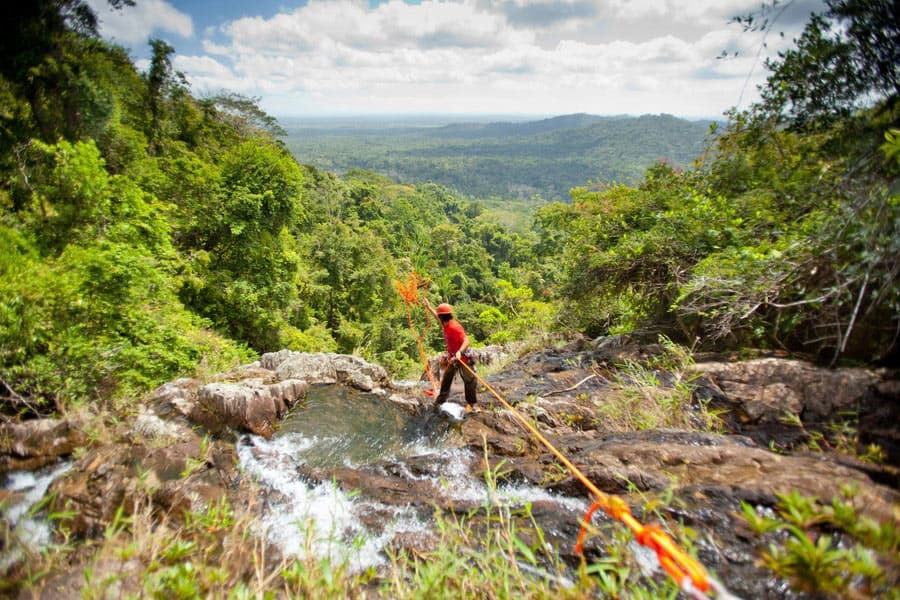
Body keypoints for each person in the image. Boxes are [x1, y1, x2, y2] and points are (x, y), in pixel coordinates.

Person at [422, 298, 478, 412]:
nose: (439, 318)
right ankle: (440, 401)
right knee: (447, 378)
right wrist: (428, 307)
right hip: (453, 358)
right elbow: (437, 317)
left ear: (443, 317)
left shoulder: (454, 327)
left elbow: (466, 341)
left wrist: (459, 352)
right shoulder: (445, 324)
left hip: (464, 357)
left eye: (440, 316)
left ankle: (472, 405)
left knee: (470, 380)